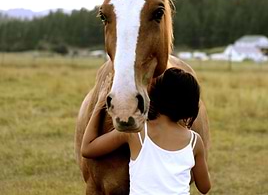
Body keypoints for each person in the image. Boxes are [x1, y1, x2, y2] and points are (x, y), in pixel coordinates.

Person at [81, 67, 211, 195]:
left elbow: (88, 148)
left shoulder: (135, 132)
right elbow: (204, 187)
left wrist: (100, 103)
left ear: (155, 94)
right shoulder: (194, 141)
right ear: (191, 105)